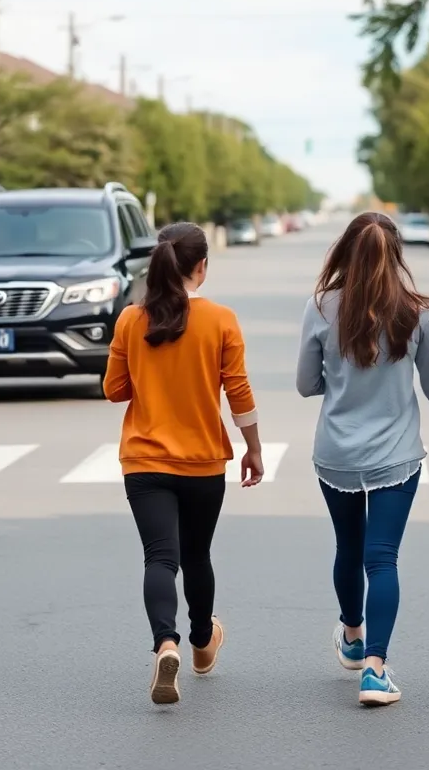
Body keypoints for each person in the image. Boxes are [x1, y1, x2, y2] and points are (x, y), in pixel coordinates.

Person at [296, 212, 429, 707]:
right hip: (395, 457)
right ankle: (375, 671)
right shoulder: (415, 312)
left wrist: (337, 379)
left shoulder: (321, 307)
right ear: (395, 254)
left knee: (348, 549)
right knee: (382, 559)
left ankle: (353, 637)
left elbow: (304, 384)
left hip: (335, 454)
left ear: (345, 253)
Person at [103, 221, 264, 705]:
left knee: (160, 557)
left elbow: (113, 390)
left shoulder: (132, 320)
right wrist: (254, 448)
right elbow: (238, 393)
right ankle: (200, 642)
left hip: (145, 462)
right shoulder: (221, 320)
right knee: (196, 556)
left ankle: (164, 643)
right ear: (201, 266)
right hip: (202, 464)